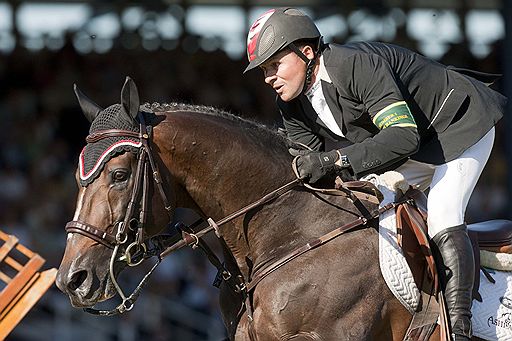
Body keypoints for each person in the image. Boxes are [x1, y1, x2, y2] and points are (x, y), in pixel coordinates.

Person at [243, 7, 507, 341]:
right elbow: (309, 170)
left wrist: (333, 160)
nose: (268, 77)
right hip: (414, 145)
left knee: (442, 215)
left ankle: (459, 328)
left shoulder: (354, 65)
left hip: (458, 126)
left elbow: (402, 136)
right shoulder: (291, 103)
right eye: (264, 70)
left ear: (306, 52)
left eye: (274, 64)